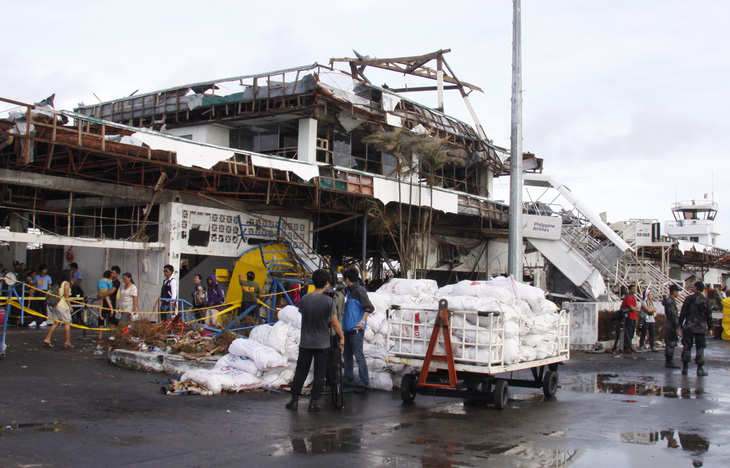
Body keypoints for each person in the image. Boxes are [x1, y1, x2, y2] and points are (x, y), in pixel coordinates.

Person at [286, 269, 344, 412]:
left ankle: (294, 400)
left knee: (301, 370)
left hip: (306, 341)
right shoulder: (329, 301)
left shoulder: (305, 298)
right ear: (326, 283)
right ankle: (313, 402)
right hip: (322, 343)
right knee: (320, 372)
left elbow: (303, 314)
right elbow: (335, 323)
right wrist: (342, 337)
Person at [342, 267, 374, 392]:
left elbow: (369, 308)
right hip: (347, 329)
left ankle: (363, 382)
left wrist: (362, 322)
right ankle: (348, 377)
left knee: (358, 355)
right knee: (347, 355)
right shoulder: (349, 291)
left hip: (356, 330)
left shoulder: (359, 291)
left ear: (347, 279)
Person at [678, 281, 713, 376]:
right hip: (700, 327)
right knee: (700, 347)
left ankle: (685, 368)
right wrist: (710, 327)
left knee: (687, 346)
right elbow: (709, 315)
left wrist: (679, 324)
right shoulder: (705, 300)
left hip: (689, 326)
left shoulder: (689, 299)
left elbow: (683, 312)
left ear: (696, 288)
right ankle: (700, 369)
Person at [41, 270, 74, 349]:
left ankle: (47, 339)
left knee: (56, 323)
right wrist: (70, 306)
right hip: (62, 305)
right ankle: (67, 341)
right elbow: (66, 296)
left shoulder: (59, 283)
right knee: (67, 322)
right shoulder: (66, 283)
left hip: (56, 305)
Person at [662, 284, 682, 368]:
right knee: (671, 343)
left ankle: (669, 360)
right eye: (677, 291)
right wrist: (676, 326)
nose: (678, 293)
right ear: (674, 292)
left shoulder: (670, 301)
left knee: (670, 343)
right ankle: (669, 361)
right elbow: (672, 315)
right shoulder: (671, 301)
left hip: (670, 324)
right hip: (671, 325)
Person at [620, 284, 640, 357]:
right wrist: (635, 308)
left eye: (635, 289)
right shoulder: (628, 298)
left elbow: (636, 307)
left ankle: (629, 346)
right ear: (630, 290)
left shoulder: (633, 298)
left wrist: (635, 308)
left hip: (633, 317)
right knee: (628, 332)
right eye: (633, 289)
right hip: (629, 317)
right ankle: (626, 347)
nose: (634, 291)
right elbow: (632, 308)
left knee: (631, 333)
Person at [97, 270, 115, 340]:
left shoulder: (99, 280)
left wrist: (99, 293)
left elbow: (98, 288)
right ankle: (112, 310)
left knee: (100, 305)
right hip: (106, 292)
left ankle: (100, 315)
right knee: (108, 302)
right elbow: (110, 289)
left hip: (100, 292)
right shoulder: (108, 281)